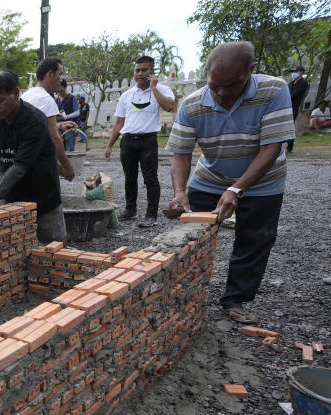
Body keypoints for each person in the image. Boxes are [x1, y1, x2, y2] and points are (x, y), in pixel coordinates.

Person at [167, 41, 295, 324]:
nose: (222, 93)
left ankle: (235, 299)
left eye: (233, 85)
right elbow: (181, 154)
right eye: (215, 86)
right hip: (210, 178)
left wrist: (237, 188)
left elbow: (272, 148)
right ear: (207, 74)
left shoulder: (274, 90)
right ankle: (186, 291)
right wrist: (180, 192)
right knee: (192, 236)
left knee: (255, 239)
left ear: (251, 72)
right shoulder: (192, 104)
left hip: (264, 182)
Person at [0, 70, 68, 243]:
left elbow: (19, 166)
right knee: (17, 243)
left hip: (42, 191)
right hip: (13, 192)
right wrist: (1, 176)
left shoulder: (35, 120)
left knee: (54, 244)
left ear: (16, 93)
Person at [104, 56, 176, 227]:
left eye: (145, 70)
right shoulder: (127, 95)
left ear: (151, 72)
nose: (140, 73)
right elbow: (119, 123)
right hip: (128, 141)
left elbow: (168, 106)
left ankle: (151, 215)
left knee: (150, 179)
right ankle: (130, 210)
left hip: (148, 141)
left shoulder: (163, 89)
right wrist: (109, 145)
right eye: (137, 70)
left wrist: (154, 87)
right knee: (130, 178)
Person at [21, 57, 76, 183]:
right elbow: (54, 138)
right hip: (39, 163)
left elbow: (36, 127)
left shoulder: (27, 95)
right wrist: (66, 164)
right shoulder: (46, 99)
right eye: (59, 74)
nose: (61, 79)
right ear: (50, 74)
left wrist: (61, 125)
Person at [286, 65, 309, 153]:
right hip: (286, 107)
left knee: (290, 127)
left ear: (302, 72)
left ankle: (290, 146)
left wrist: (286, 97)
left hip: (293, 107)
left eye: (297, 71)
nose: (294, 73)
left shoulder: (303, 83)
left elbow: (294, 95)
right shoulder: (291, 83)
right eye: (294, 71)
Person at [55, 80, 81, 152]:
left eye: (61, 91)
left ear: (66, 87)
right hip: (58, 127)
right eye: (57, 91)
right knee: (59, 149)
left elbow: (77, 113)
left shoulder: (72, 98)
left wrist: (65, 117)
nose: (59, 93)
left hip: (69, 127)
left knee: (69, 149)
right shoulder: (56, 100)